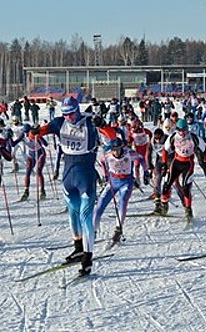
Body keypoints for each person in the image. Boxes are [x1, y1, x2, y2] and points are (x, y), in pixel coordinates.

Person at [32, 97, 98, 276]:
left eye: (73, 113)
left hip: (86, 175)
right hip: (68, 174)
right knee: (73, 212)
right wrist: (36, 131)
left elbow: (112, 135)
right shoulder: (59, 122)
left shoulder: (89, 122)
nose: (70, 117)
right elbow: (36, 134)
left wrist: (104, 126)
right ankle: (78, 247)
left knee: (85, 216)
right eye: (67, 114)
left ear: (78, 110)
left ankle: (88, 258)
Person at [94, 138, 147, 247]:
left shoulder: (129, 154)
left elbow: (141, 158)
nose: (116, 152)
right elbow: (102, 161)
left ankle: (118, 230)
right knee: (100, 204)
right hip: (113, 182)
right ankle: (93, 231)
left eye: (118, 149)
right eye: (114, 150)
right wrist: (105, 175)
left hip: (126, 182)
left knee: (122, 202)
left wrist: (146, 172)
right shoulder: (108, 155)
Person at [157, 118, 206, 220]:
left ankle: (188, 210)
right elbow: (165, 150)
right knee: (166, 185)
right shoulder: (173, 137)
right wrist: (164, 164)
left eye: (184, 130)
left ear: (187, 129)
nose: (182, 133)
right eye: (179, 130)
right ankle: (164, 204)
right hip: (176, 162)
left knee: (186, 188)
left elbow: (204, 151)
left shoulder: (193, 138)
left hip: (188, 164)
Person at [12, 124, 47, 202]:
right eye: (26, 132)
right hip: (31, 154)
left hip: (40, 153)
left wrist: (39, 137)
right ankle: (26, 191)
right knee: (28, 172)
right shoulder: (23, 135)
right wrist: (9, 138)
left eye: (28, 132)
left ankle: (42, 191)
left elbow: (46, 144)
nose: (27, 134)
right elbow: (13, 144)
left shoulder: (34, 133)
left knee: (38, 171)